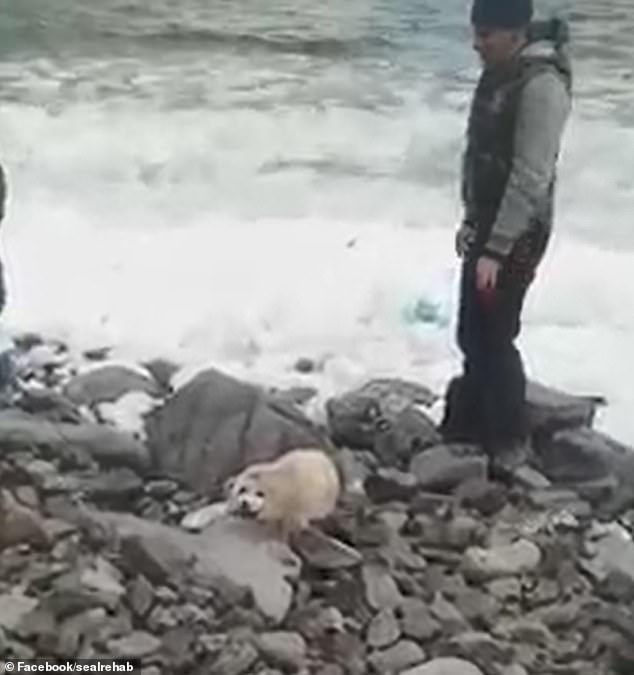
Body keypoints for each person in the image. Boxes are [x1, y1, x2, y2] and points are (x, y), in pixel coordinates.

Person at [439, 0, 573, 478]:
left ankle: (509, 441)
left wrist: (496, 247)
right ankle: (468, 428)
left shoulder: (541, 86)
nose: (477, 43)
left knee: (494, 334)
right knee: (471, 331)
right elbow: (479, 155)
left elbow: (530, 176)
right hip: (489, 225)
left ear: (516, 32)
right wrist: (472, 223)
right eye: (476, 32)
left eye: (487, 34)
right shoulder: (500, 70)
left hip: (518, 232)